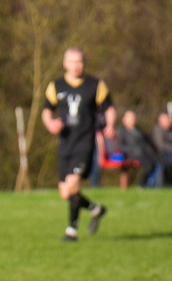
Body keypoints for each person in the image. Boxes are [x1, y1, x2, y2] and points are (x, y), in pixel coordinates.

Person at [42, 47, 116, 242]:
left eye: (80, 62)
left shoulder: (95, 85)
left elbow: (109, 108)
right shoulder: (56, 86)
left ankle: (71, 230)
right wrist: (50, 123)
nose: (76, 66)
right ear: (65, 63)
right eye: (72, 62)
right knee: (65, 192)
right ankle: (96, 209)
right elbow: (46, 111)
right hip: (65, 143)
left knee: (73, 183)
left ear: (84, 63)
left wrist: (110, 124)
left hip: (85, 143)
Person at [116, 110, 158, 187]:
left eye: (134, 118)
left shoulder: (138, 129)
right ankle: (141, 185)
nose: (133, 119)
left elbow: (145, 141)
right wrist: (133, 149)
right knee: (149, 165)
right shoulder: (121, 131)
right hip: (132, 154)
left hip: (144, 152)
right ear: (124, 119)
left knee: (157, 161)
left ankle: (154, 185)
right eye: (131, 118)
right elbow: (120, 146)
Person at [151, 112, 172, 186]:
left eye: (168, 119)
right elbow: (161, 145)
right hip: (163, 154)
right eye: (166, 119)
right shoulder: (157, 130)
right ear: (160, 120)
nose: (168, 121)